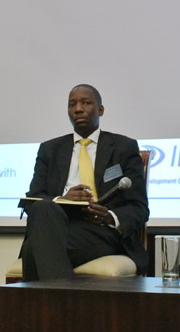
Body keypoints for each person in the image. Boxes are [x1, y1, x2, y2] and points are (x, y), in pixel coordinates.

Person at [19, 84, 149, 281]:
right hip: (59, 224)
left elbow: (139, 207)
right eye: (72, 105)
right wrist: (62, 200)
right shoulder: (49, 150)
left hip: (100, 231)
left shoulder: (123, 148)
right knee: (43, 208)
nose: (78, 109)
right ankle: (63, 298)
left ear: (101, 110)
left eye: (86, 103)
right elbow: (32, 199)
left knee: (33, 249)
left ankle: (48, 300)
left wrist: (109, 217)